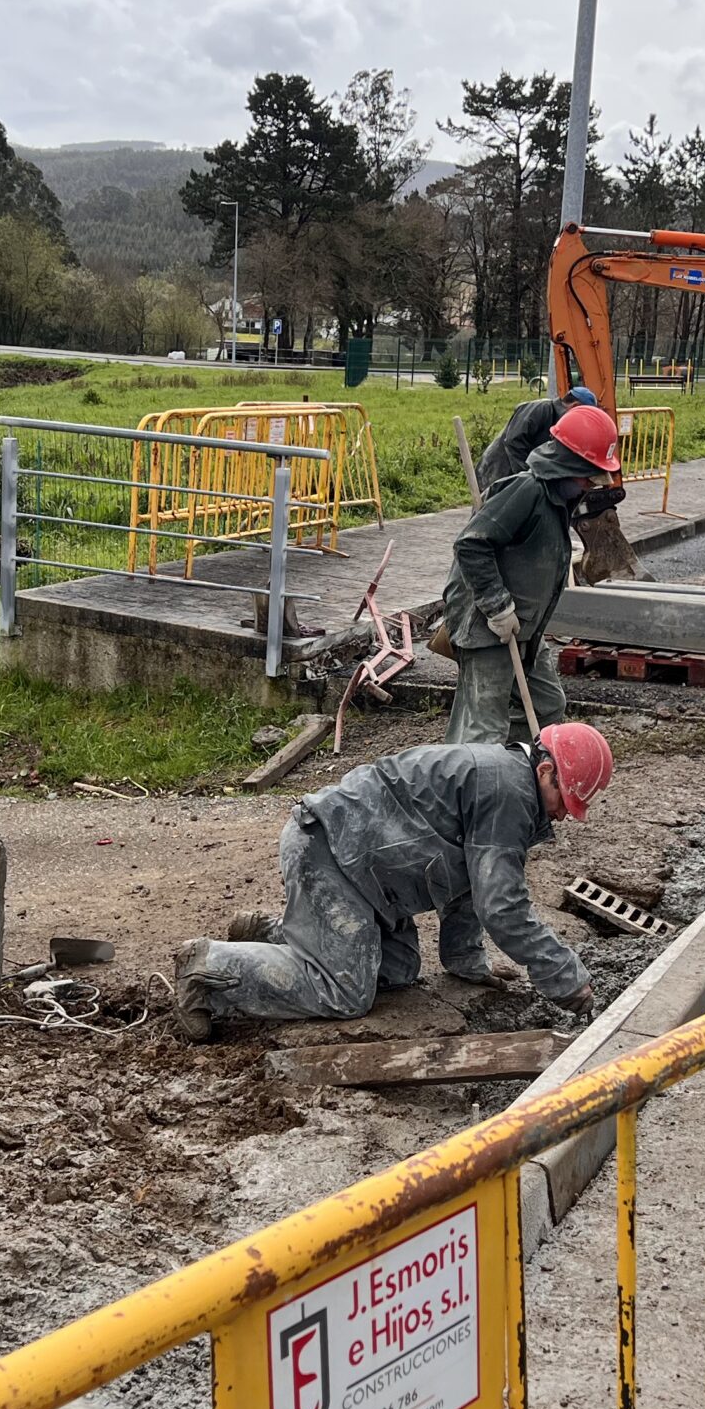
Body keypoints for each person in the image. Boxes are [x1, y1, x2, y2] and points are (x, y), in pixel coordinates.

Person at [171, 723, 616, 1039]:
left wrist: (467, 962)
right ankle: (210, 968)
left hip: (366, 876)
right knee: (345, 991)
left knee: (399, 969)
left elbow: (472, 886)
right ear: (544, 771)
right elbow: (502, 907)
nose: (563, 815)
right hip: (330, 853)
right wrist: (564, 977)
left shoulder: (507, 782)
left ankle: (277, 931)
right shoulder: (508, 793)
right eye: (565, 800)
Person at [438, 403, 623, 748]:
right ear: (568, 464)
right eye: (589, 475)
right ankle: (472, 776)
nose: (591, 484)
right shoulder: (527, 491)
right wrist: (497, 606)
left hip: (525, 630)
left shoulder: (558, 500)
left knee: (545, 704)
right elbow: (471, 544)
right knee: (483, 728)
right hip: (490, 629)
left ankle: (514, 767)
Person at [475, 384, 599, 495]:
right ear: (574, 406)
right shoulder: (541, 408)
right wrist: (529, 478)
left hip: (513, 480)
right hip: (496, 472)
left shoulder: (559, 422)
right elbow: (514, 442)